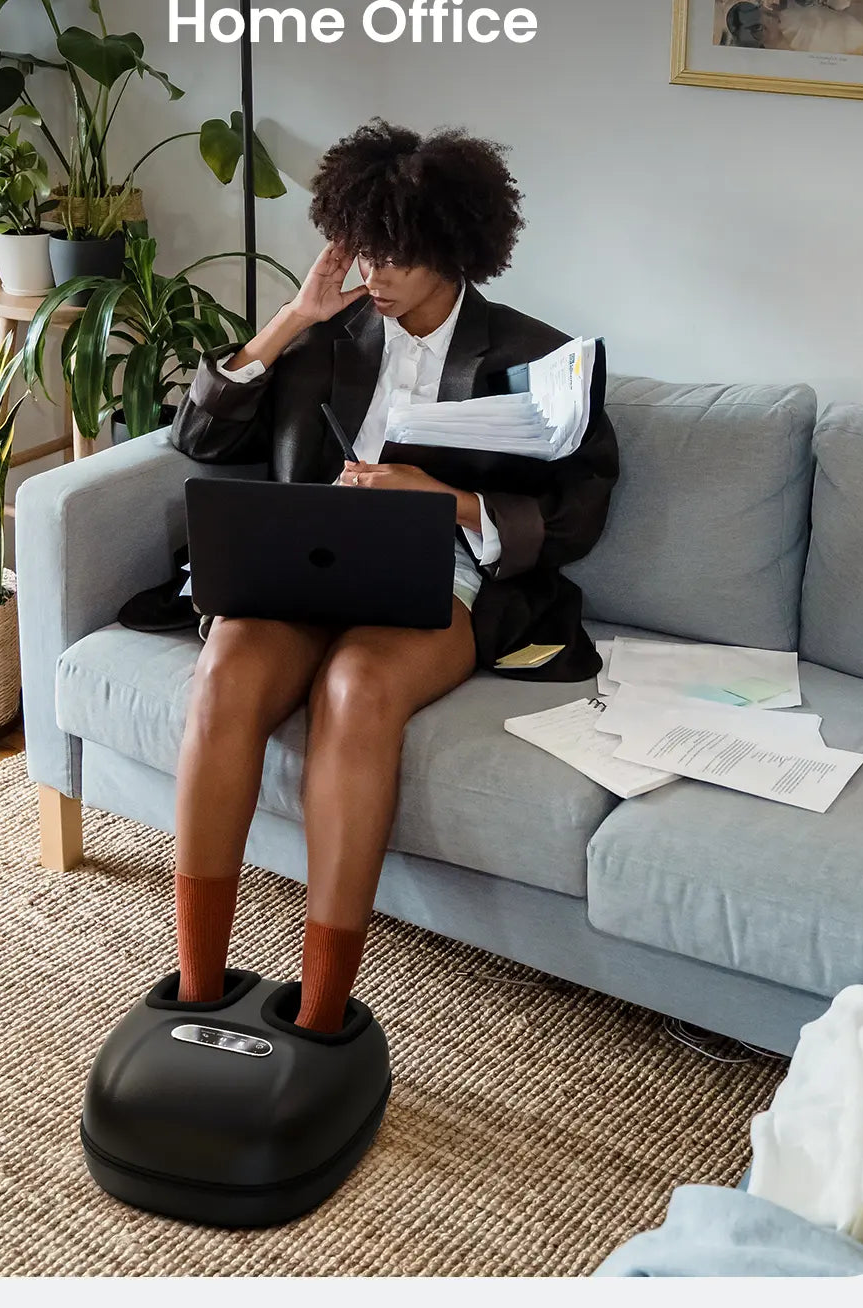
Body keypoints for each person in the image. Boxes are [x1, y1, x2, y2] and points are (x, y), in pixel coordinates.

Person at [167, 118, 619, 1031]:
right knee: (224, 669)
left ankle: (323, 1010)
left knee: (358, 686)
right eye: (362, 250)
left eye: (396, 257)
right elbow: (198, 436)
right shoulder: (326, 336)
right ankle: (196, 987)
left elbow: (582, 509)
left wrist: (444, 498)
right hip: (306, 558)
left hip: (436, 571)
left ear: (456, 247)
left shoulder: (535, 355)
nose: (373, 275)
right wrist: (293, 316)